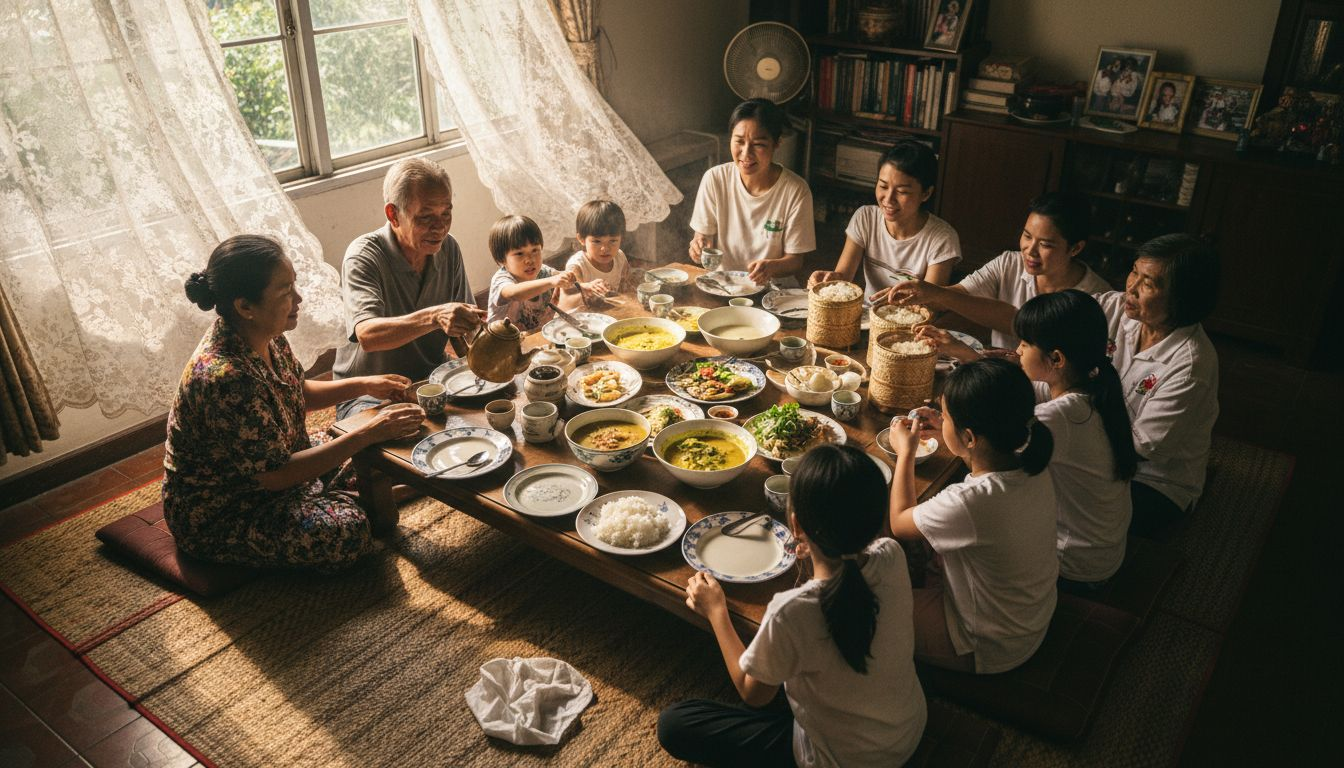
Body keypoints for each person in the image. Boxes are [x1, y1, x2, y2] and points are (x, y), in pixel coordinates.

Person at [164, 235, 426, 569]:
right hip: (231, 508)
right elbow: (274, 476)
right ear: (245, 307)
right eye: (286, 291)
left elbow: (297, 391)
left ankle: (352, 493)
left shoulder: (263, 335)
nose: (298, 299)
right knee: (348, 531)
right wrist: (367, 434)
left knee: (382, 448)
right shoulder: (225, 378)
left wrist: (366, 385)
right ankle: (354, 499)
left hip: (283, 459)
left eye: (294, 286)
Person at [659, 444, 926, 767]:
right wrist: (814, 552)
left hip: (837, 760)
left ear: (796, 526)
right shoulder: (892, 555)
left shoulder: (792, 610)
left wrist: (716, 611)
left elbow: (753, 694)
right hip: (908, 733)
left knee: (675, 723)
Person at [888, 359, 1058, 673]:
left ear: (970, 437)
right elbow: (984, 462)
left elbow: (899, 522)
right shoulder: (1033, 463)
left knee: (863, 609)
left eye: (946, 416)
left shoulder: (971, 501)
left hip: (989, 642)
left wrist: (906, 452)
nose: (942, 420)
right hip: (1028, 616)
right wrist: (950, 428)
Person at [333, 158, 486, 420]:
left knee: (492, 405)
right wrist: (435, 316)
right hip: (370, 394)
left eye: (446, 213)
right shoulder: (364, 256)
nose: (440, 227)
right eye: (426, 217)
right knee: (411, 435)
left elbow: (461, 331)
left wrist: (479, 364)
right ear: (393, 214)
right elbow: (368, 336)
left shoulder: (448, 248)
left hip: (431, 378)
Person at [1093, 234, 1220, 537]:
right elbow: (1060, 317)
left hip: (1151, 482)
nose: (1131, 287)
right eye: (1134, 271)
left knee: (1057, 501)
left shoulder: (1191, 365)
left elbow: (1140, 449)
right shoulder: (1117, 309)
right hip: (1099, 446)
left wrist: (1070, 444)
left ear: (1182, 300)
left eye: (1148, 284)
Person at [1012, 291, 1140, 588]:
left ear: (1056, 358)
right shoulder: (1095, 387)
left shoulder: (1059, 417)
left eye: (1024, 343)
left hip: (1076, 564)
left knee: (981, 510)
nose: (1017, 350)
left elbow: (994, 458)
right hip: (1102, 548)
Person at [889, 192, 1111, 350]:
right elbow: (959, 294)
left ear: (1076, 248)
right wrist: (922, 293)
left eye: (1045, 244)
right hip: (995, 373)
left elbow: (1021, 325)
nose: (1029, 251)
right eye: (1027, 236)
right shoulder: (1009, 263)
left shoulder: (1097, 299)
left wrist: (938, 294)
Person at [807, 140, 960, 300]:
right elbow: (843, 277)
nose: (888, 199)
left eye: (902, 191)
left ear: (926, 193)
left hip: (912, 321)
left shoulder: (943, 238)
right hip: (868, 315)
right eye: (883, 186)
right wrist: (829, 280)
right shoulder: (866, 218)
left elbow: (930, 303)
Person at [689, 98, 816, 283]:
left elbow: (796, 260)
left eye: (758, 144)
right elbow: (703, 236)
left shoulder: (796, 191)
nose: (746, 153)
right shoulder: (715, 179)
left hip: (773, 292)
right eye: (739, 141)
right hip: (724, 285)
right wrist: (699, 245)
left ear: (777, 143)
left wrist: (771, 267)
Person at [487, 214, 577, 330]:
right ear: (502, 259)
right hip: (502, 344)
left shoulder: (543, 272)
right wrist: (551, 281)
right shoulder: (502, 279)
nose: (530, 260)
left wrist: (585, 286)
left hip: (538, 338)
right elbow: (513, 293)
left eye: (535, 250)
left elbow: (564, 279)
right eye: (519, 253)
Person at [560, 200, 631, 311]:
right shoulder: (577, 265)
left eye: (613, 241)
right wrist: (590, 288)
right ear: (581, 239)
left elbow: (625, 288)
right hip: (583, 318)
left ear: (621, 238)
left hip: (611, 313)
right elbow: (571, 293)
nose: (605, 248)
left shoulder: (620, 257)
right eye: (597, 241)